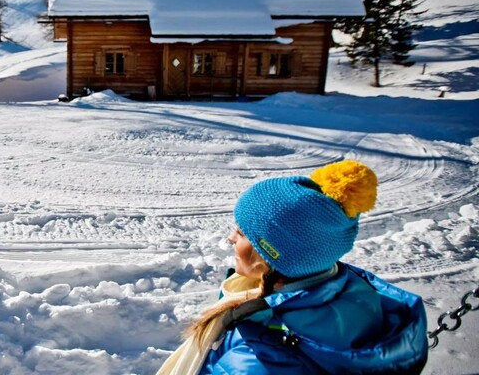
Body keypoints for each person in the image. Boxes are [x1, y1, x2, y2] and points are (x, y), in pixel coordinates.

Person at [158, 160, 429, 375]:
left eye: (241, 233)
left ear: (271, 256)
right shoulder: (347, 293)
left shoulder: (258, 359)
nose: (231, 238)